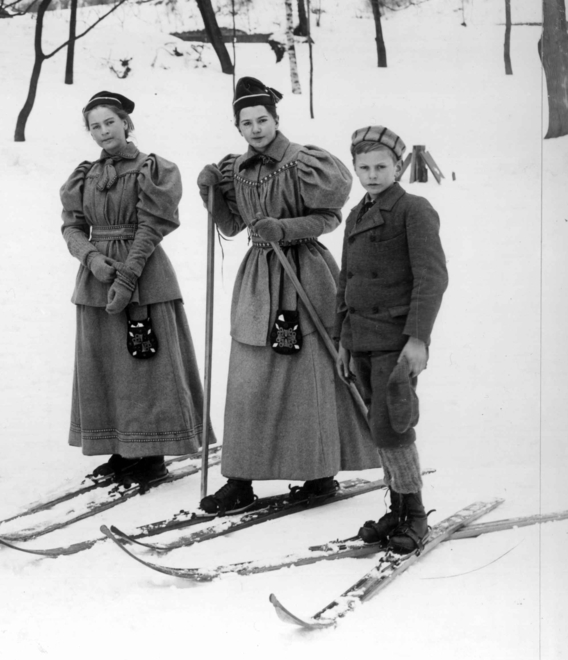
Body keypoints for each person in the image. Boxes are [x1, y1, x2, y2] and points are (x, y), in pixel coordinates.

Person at [197, 77, 378, 513]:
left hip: (304, 273)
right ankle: (239, 480)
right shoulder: (235, 170)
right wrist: (211, 193)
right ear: (237, 127)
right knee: (249, 378)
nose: (256, 129)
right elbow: (231, 226)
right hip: (259, 278)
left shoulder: (305, 163)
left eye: (263, 120)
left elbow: (331, 217)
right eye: (247, 122)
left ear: (276, 119)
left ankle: (319, 473)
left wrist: (287, 228)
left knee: (307, 377)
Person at [60, 91, 209, 487]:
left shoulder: (152, 169)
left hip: (144, 274)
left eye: (110, 122)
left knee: (145, 368)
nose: (103, 131)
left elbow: (153, 225)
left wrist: (128, 276)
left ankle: (150, 455)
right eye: (95, 125)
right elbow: (71, 226)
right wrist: (91, 259)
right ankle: (119, 448)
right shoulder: (84, 175)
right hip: (96, 279)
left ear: (126, 123)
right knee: (106, 366)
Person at [336, 126, 448, 553]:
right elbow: (346, 280)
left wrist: (418, 339)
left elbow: (432, 278)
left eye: (381, 166)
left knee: (394, 425)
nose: (371, 175)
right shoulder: (357, 213)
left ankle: (414, 514)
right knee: (378, 426)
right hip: (360, 336)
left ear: (398, 166)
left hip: (396, 340)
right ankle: (398, 508)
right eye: (363, 167)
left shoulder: (414, 210)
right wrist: (342, 338)